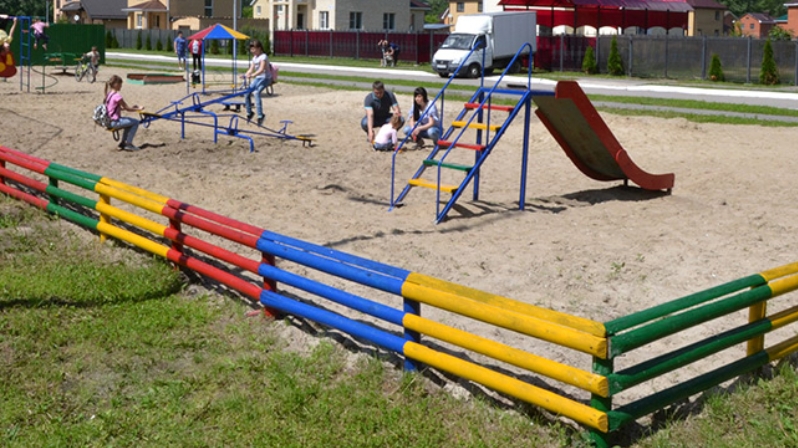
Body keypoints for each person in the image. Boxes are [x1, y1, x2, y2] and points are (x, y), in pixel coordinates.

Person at [104, 75, 144, 151]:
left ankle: (123, 143)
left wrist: (132, 107)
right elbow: (127, 108)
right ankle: (128, 144)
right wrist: (138, 109)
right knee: (135, 122)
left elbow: (114, 108)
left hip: (109, 121)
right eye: (120, 84)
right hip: (115, 122)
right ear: (116, 84)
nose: (121, 86)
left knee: (129, 123)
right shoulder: (117, 96)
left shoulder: (109, 94)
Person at [361, 80, 403, 144]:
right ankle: (370, 135)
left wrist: (397, 112)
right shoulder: (369, 99)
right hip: (374, 118)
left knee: (401, 120)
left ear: (384, 89)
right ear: (373, 90)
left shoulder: (389, 95)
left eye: (380, 92)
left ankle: (389, 135)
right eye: (376, 93)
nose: (378, 95)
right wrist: (370, 131)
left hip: (386, 117)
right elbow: (370, 115)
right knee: (364, 123)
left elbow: (396, 108)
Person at [242, 39, 271, 127]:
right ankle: (249, 112)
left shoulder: (263, 57)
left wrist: (253, 75)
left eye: (254, 49)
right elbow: (251, 69)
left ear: (259, 48)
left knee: (256, 92)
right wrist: (246, 74)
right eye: (251, 49)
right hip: (258, 78)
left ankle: (260, 115)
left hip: (265, 78)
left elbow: (261, 69)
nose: (252, 51)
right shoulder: (254, 58)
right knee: (247, 93)